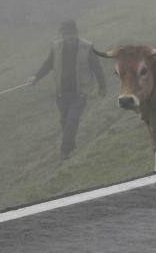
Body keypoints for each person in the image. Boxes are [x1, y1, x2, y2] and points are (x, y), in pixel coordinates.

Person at [27, 19, 106, 159]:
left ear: (76, 33)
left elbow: (97, 68)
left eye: (70, 34)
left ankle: (65, 151)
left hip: (79, 92)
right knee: (64, 121)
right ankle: (71, 145)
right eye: (65, 34)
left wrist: (102, 86)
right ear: (62, 35)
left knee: (72, 120)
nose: (68, 37)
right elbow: (48, 64)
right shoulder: (56, 47)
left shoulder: (87, 47)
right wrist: (36, 77)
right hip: (61, 93)